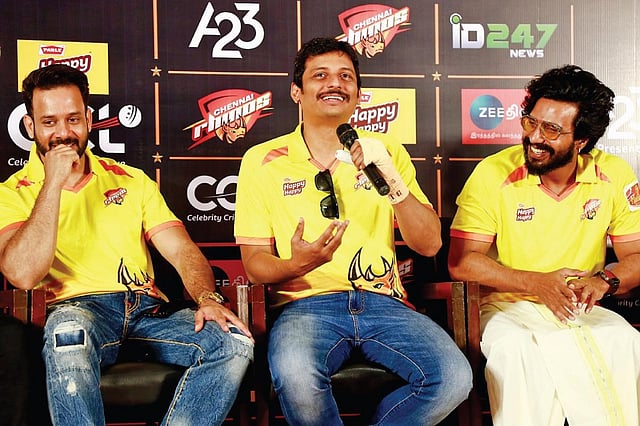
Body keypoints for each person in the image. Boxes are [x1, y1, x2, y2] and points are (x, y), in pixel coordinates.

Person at [234, 37, 472, 425]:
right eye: (320, 75)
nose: (335, 83)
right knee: (297, 378)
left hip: (385, 302)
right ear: (296, 91)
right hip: (304, 306)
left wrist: (392, 181)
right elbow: (255, 264)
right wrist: (297, 264)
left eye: (346, 76)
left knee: (454, 379)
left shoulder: (385, 150)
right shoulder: (261, 160)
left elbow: (429, 244)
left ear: (359, 95)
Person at [0, 64, 253, 426]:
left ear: (89, 119)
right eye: (49, 122)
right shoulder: (11, 193)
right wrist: (52, 183)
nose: (63, 133)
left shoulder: (131, 180)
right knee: (67, 335)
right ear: (30, 126)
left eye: (73, 119)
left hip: (148, 311)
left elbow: (181, 250)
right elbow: (22, 274)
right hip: (77, 312)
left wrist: (207, 299)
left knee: (234, 342)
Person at [448, 65, 640, 426]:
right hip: (505, 307)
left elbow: (636, 257)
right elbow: (462, 263)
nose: (534, 137)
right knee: (518, 352)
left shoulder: (613, 174)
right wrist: (537, 283)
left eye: (551, 130)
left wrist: (603, 282)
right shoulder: (493, 172)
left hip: (579, 307)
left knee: (624, 340)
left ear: (582, 140)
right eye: (530, 123)